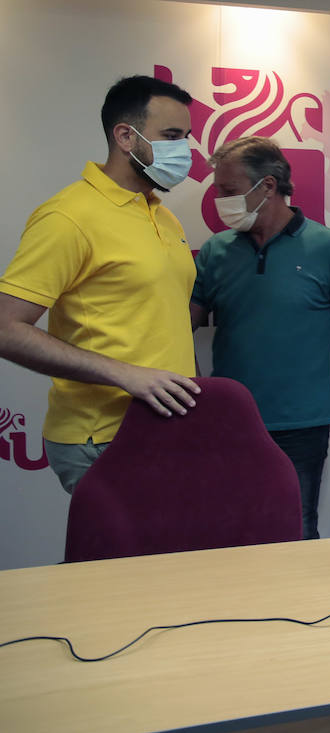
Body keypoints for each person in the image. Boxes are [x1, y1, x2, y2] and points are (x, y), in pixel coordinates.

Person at [0, 75, 202, 494]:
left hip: (168, 428)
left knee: (170, 560)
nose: (184, 150)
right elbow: (6, 327)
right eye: (170, 135)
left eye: (185, 137)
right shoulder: (68, 216)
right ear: (126, 136)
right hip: (104, 435)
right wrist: (125, 374)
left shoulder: (162, 214)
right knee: (123, 560)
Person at [190, 137, 330, 540]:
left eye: (229, 191)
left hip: (300, 426)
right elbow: (179, 328)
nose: (220, 201)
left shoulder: (328, 248)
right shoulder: (215, 251)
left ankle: (297, 608)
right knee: (227, 534)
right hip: (229, 423)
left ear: (268, 187)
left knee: (296, 530)